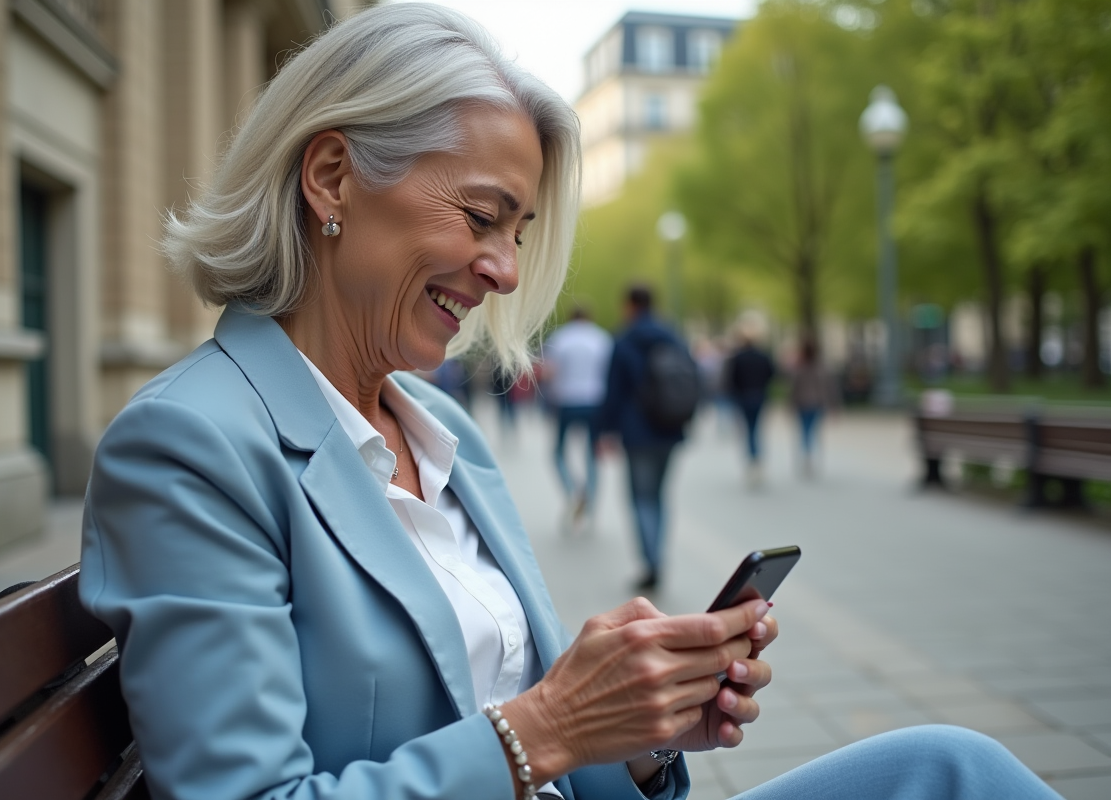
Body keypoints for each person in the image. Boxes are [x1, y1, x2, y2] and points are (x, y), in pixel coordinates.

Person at [78, 5, 1061, 800]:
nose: (506, 270)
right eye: (482, 216)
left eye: (520, 229)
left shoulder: (445, 430)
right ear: (333, 176)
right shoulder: (190, 444)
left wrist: (636, 733)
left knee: (947, 764)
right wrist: (548, 727)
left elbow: (533, 730)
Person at [595, 285, 689, 591]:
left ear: (630, 305)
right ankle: (658, 555)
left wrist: (605, 430)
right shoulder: (672, 336)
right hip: (671, 428)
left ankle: (651, 562)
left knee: (641, 498)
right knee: (660, 496)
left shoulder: (624, 340)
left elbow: (613, 391)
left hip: (637, 432)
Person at [541, 306, 612, 526]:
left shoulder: (561, 338)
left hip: (566, 401)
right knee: (592, 454)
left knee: (558, 452)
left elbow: (549, 372)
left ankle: (573, 491)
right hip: (594, 401)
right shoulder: (602, 338)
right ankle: (589, 500)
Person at [724, 321, 775, 487]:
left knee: (748, 429)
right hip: (759, 395)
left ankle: (752, 460)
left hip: (743, 397)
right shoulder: (763, 356)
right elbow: (771, 374)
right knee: (755, 428)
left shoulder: (738, 357)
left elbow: (731, 379)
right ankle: (756, 459)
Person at [788, 339, 837, 477]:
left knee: (805, 431)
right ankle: (810, 457)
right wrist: (834, 406)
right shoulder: (823, 367)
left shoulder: (800, 368)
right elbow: (831, 388)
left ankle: (807, 457)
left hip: (804, 404)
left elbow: (793, 389)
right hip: (816, 404)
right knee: (813, 431)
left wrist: (790, 405)